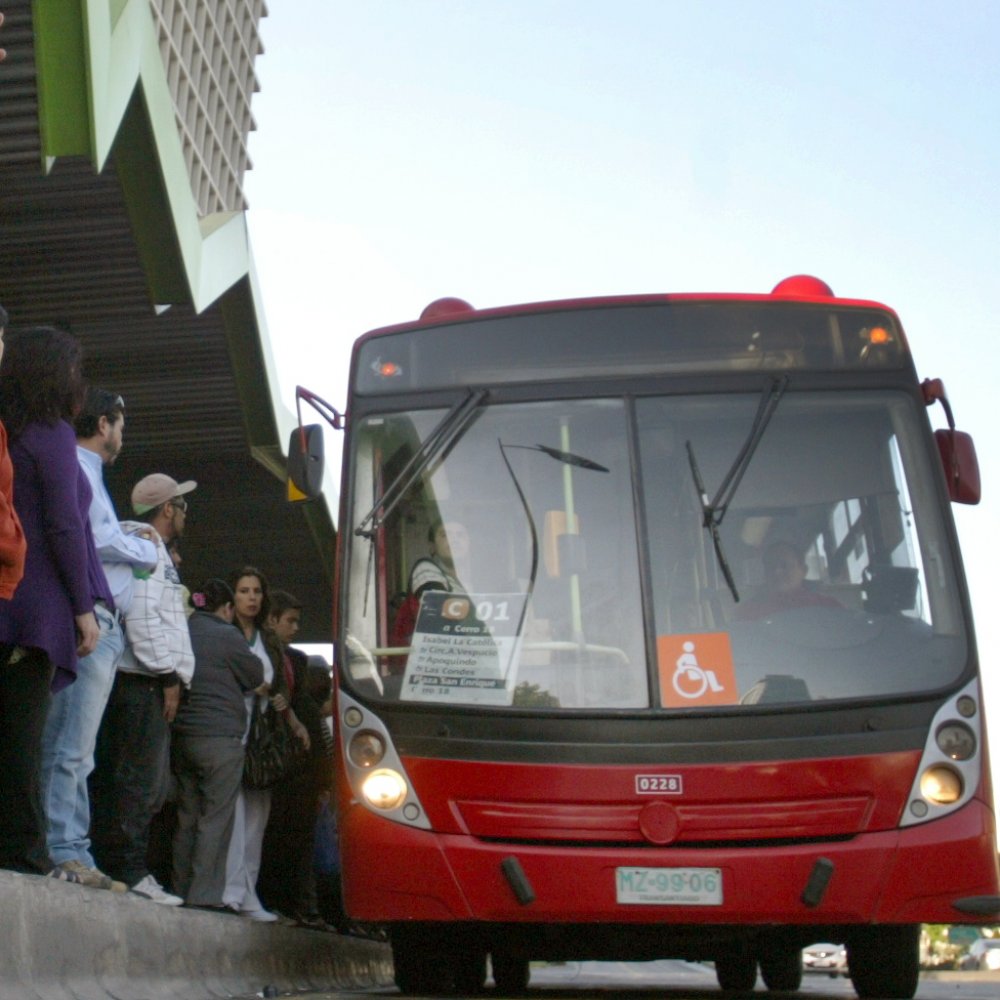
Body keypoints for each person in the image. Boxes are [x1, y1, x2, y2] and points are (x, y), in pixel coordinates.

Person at [40, 389, 158, 892]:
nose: (122, 437)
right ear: (103, 423)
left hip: (103, 623)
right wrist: (144, 549)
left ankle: (71, 847)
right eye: (121, 426)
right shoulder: (79, 466)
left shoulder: (90, 471)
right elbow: (92, 536)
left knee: (76, 748)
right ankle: (64, 850)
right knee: (70, 746)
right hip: (92, 621)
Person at [0, 325, 97, 882]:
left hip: (6, 594)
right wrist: (83, 608)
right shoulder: (53, 433)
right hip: (35, 607)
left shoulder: (9, 431)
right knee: (23, 735)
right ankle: (26, 853)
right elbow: (63, 524)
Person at [90, 473, 196, 904]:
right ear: (167, 508)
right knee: (139, 783)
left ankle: (118, 865)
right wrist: (168, 675)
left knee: (127, 779)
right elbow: (145, 617)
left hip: (139, 680)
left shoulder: (146, 545)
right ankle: (131, 872)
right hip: (144, 683)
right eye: (183, 506)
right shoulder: (148, 545)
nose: (187, 514)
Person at [171, 579, 265, 910]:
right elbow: (255, 675)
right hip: (220, 740)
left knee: (187, 817)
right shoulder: (228, 635)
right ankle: (205, 896)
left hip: (183, 737)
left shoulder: (182, 630)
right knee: (215, 819)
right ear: (226, 608)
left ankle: (180, 890)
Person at [223, 566, 309, 922]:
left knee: (257, 815)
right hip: (230, 726)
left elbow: (279, 688)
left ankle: (248, 894)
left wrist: (290, 718)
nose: (251, 598)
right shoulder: (225, 634)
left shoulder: (268, 641)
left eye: (256, 591)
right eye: (244, 591)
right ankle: (230, 891)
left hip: (263, 735)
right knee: (234, 813)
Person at [258, 589, 332, 928]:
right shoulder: (264, 657)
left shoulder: (297, 662)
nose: (295, 628)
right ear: (271, 620)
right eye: (290, 620)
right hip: (279, 764)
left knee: (296, 839)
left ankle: (301, 906)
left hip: (298, 768)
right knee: (280, 838)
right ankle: (290, 903)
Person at [388, 519, 470, 673]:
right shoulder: (426, 569)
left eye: (461, 535)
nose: (455, 540)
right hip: (429, 668)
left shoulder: (471, 583)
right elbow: (441, 620)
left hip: (461, 665)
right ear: (432, 547)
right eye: (445, 535)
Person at [735, 540, 842, 621]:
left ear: (803, 570)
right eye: (770, 566)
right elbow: (724, 649)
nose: (777, 571)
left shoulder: (828, 607)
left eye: (784, 565)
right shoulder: (746, 612)